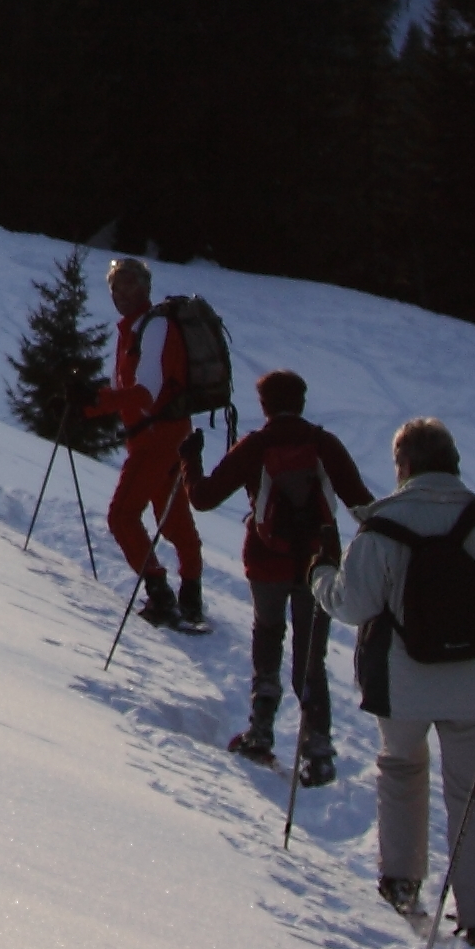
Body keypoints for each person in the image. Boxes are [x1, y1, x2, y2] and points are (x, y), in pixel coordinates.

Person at [330, 415, 475, 943]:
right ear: (454, 463)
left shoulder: (383, 523)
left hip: (401, 684)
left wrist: (318, 581)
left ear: (403, 464)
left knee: (402, 768)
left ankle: (402, 880)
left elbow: (353, 604)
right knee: (472, 795)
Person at [189, 369, 371, 782]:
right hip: (317, 564)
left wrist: (190, 460)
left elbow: (203, 498)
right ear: (302, 401)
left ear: (265, 405)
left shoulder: (256, 446)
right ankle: (318, 751)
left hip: (266, 560)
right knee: (312, 659)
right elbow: (361, 504)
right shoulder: (324, 445)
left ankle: (260, 732)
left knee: (267, 635)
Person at [89, 257, 209, 630]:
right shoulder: (135, 330)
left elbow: (145, 393)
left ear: (145, 286)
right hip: (166, 436)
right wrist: (93, 402)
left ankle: (161, 594)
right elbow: (129, 391)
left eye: (127, 284)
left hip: (156, 440)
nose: (119, 293)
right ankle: (190, 595)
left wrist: (98, 402)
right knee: (172, 519)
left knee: (123, 516)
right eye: (114, 286)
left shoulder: (152, 328)